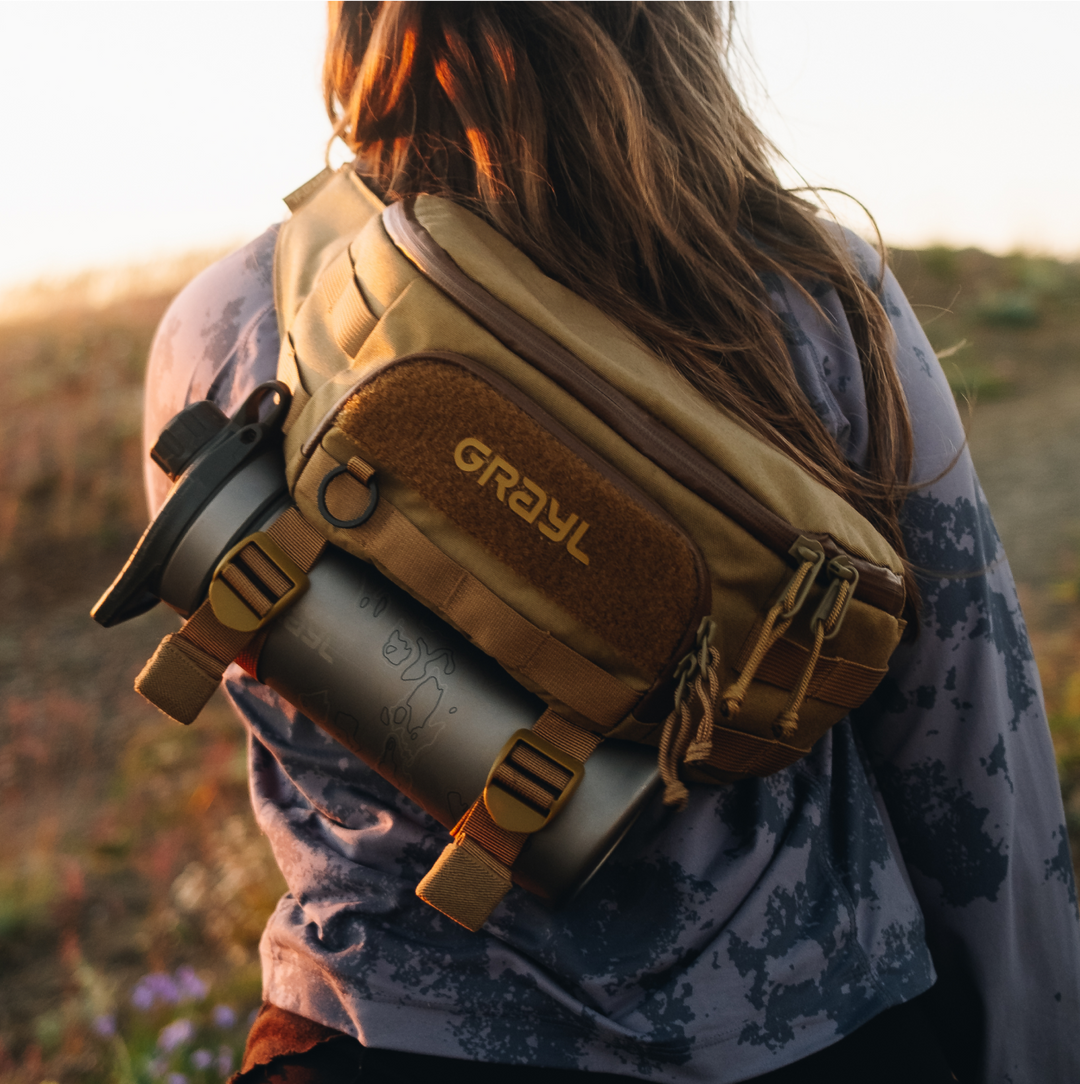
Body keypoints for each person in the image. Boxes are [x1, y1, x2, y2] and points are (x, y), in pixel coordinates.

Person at [143, 2, 1080, 1080]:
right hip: (812, 1033)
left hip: (376, 1032)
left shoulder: (230, 321)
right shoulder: (807, 297)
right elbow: (967, 747)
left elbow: (270, 692)